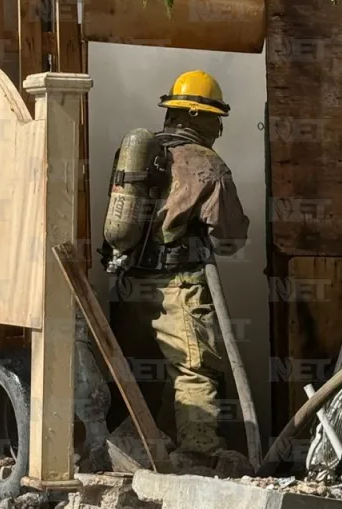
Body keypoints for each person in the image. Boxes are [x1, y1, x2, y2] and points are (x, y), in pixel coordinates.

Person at [111, 70, 250, 469]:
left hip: (127, 284)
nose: (218, 128)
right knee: (193, 369)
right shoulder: (208, 164)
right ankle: (198, 455)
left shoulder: (135, 154)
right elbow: (228, 238)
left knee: (135, 369)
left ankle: (130, 453)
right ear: (195, 116)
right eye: (214, 118)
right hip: (179, 288)